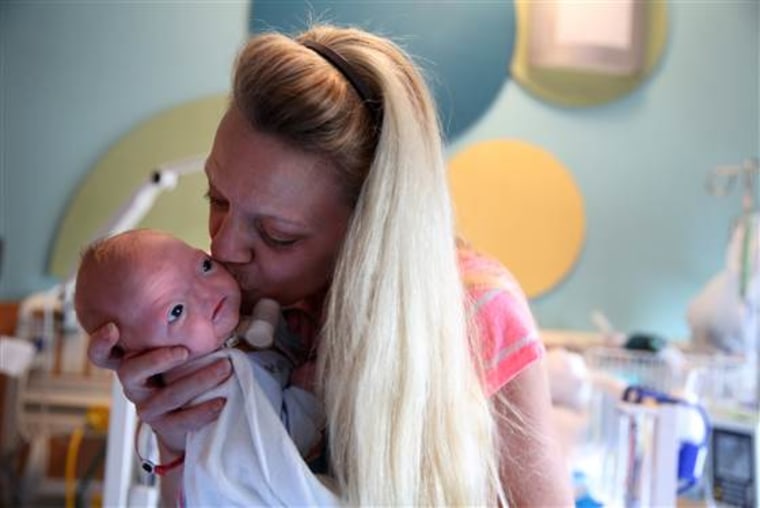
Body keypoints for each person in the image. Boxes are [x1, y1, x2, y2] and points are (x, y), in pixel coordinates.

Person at [87, 23, 574, 506]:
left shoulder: (473, 311)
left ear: (369, 227)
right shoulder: (224, 310)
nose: (224, 247)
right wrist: (175, 442)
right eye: (215, 197)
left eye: (277, 234)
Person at [75, 229, 337, 505]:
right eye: (176, 310)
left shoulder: (222, 337)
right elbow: (270, 455)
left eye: (204, 266)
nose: (206, 293)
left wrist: (285, 335)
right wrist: (304, 394)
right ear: (142, 355)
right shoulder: (212, 390)